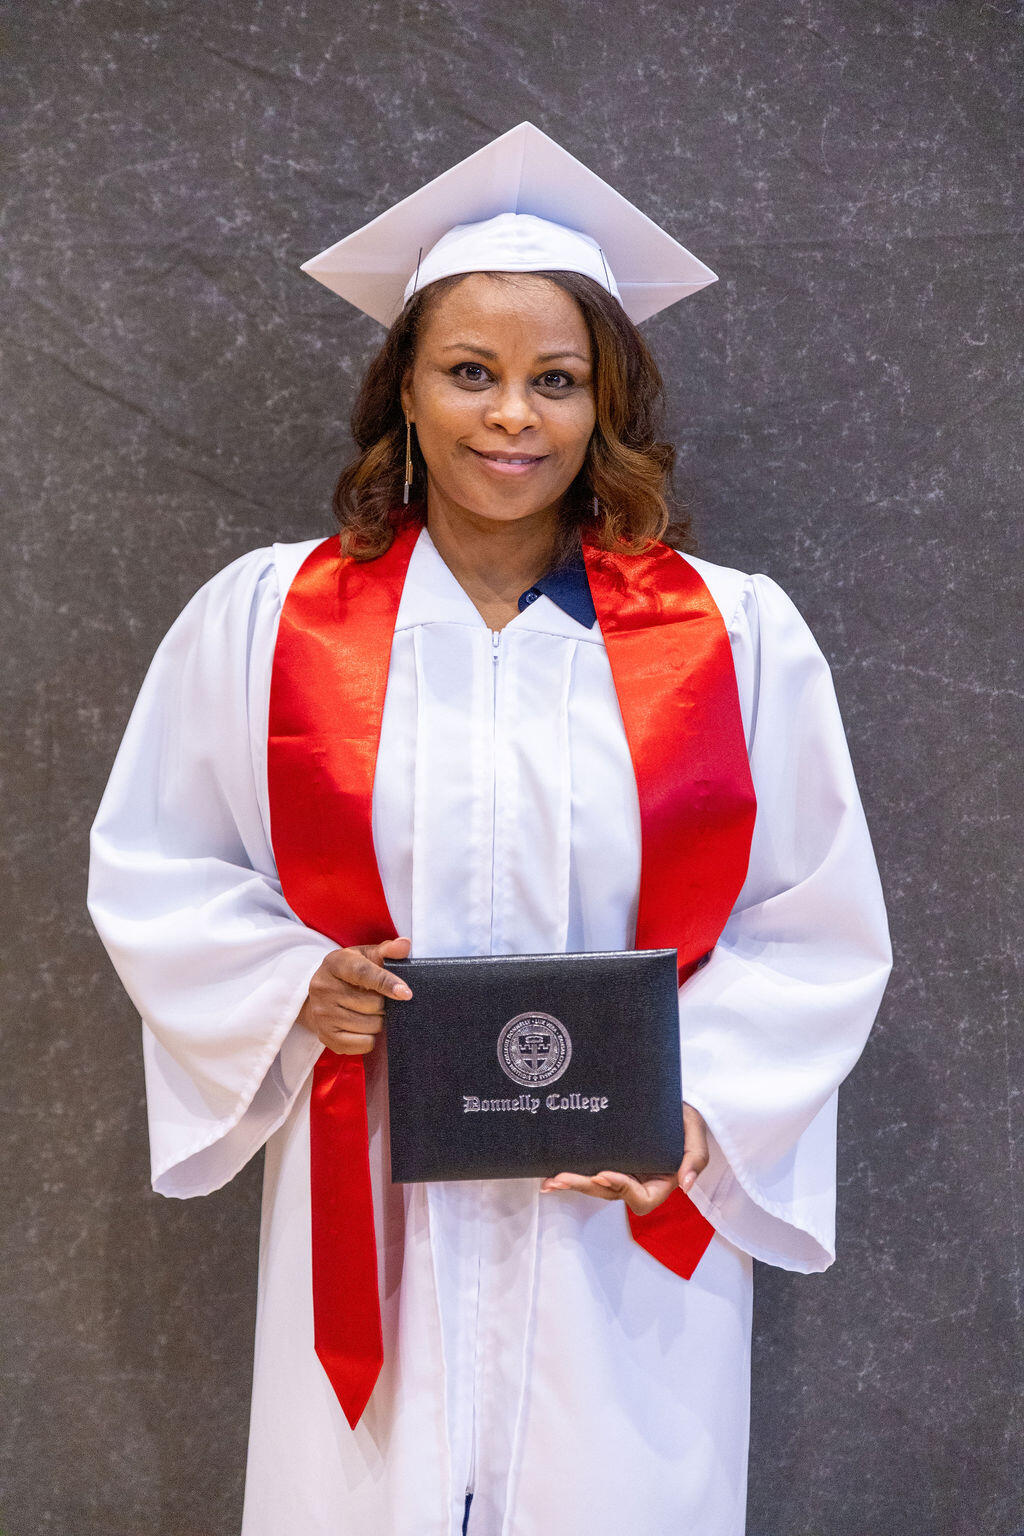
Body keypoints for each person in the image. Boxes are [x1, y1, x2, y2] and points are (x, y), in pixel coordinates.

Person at [87, 122, 892, 1536]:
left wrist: (698, 1110)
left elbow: (810, 924)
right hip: (374, 1183)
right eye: (470, 372)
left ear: (604, 404)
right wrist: (294, 982)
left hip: (615, 1214)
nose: (511, 415)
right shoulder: (269, 620)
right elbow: (159, 865)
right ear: (404, 389)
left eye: (555, 380)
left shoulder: (733, 637)